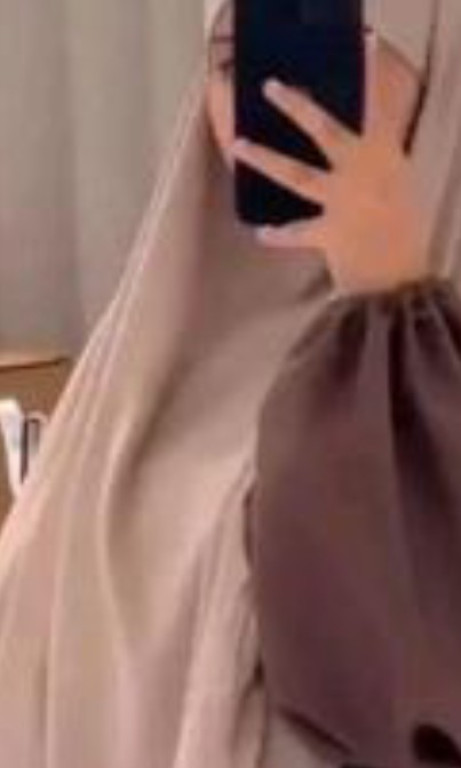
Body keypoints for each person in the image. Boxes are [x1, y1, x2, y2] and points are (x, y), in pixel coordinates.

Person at [0, 1, 458, 767]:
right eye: (235, 61)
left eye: (340, 45)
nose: (280, 93)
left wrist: (395, 316)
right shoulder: (130, 392)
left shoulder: (425, 365)